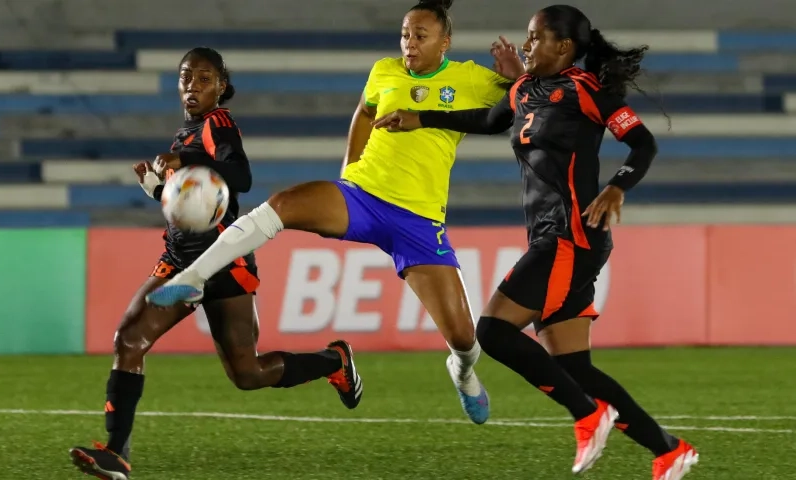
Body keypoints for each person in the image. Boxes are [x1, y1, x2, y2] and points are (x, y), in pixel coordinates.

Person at [146, 0, 524, 426]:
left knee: (463, 338)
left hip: (418, 221)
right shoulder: (384, 71)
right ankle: (191, 279)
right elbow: (363, 112)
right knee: (282, 205)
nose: (409, 44)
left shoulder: (471, 78)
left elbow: (521, 104)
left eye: (420, 36)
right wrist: (350, 167)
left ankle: (463, 371)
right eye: (405, 34)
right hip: (361, 196)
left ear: (445, 42)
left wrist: (516, 76)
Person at [371, 5, 699, 479]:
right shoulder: (525, 89)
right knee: (575, 367)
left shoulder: (587, 92)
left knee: (493, 332)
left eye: (535, 38)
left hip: (572, 236)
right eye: (527, 38)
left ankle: (588, 415)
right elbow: (487, 121)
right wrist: (420, 118)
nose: (526, 46)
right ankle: (669, 450)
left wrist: (616, 186)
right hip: (551, 236)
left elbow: (643, 143)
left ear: (563, 48)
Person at [69, 47, 362, 480]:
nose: (193, 85)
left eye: (204, 78)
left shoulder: (217, 125)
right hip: (179, 260)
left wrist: (184, 162)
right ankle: (117, 453)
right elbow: (198, 206)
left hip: (223, 260)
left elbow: (239, 176)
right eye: (186, 77)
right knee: (129, 340)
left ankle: (333, 361)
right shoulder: (184, 136)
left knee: (248, 373)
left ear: (222, 86)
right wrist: (158, 191)